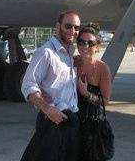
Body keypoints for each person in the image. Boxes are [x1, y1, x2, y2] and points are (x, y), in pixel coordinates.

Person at [20, 11, 81, 161]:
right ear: (58, 26)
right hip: (53, 120)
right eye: (68, 26)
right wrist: (48, 109)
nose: (72, 31)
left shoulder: (70, 54)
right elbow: (27, 85)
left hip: (71, 120)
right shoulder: (46, 53)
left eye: (76, 28)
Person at [75, 24, 113, 161]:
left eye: (90, 43)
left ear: (97, 46)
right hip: (73, 122)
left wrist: (86, 93)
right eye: (81, 42)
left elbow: (106, 101)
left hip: (91, 126)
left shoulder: (102, 68)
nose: (85, 46)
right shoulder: (72, 61)